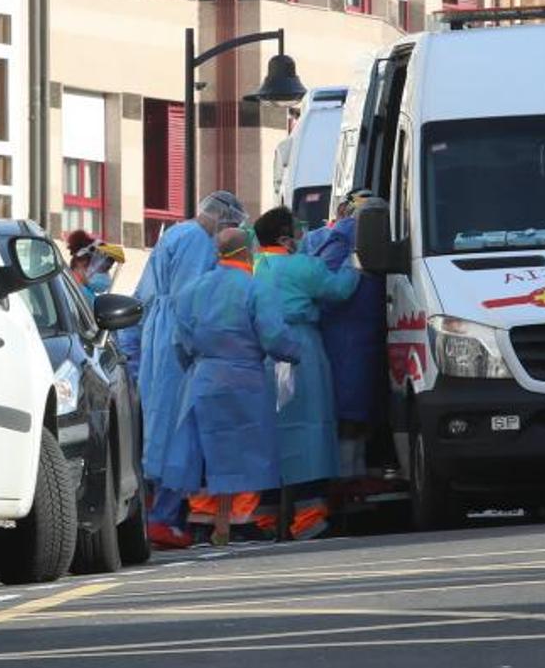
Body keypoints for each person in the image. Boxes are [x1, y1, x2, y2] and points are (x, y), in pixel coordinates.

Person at [119, 190, 247, 548]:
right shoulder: (197, 242)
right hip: (177, 345)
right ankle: (163, 517)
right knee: (180, 431)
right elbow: (193, 298)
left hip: (156, 340)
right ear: (222, 219)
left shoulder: (175, 233)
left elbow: (142, 296)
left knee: (157, 426)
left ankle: (152, 512)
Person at [161, 228, 302, 546]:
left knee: (205, 450)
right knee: (246, 450)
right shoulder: (256, 288)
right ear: (247, 252)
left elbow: (179, 343)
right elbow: (274, 336)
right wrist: (295, 353)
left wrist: (199, 367)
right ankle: (240, 521)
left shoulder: (192, 290)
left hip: (204, 380)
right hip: (245, 379)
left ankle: (203, 518)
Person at [251, 206, 360, 539]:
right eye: (298, 231)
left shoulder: (254, 267)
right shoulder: (302, 266)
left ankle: (266, 519)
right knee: (308, 432)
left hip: (261, 357)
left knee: (269, 436)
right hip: (302, 349)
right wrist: (355, 261)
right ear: (285, 237)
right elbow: (340, 289)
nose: (303, 236)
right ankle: (308, 516)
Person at [301, 190, 387, 478]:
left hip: (354, 326)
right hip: (351, 328)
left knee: (355, 398)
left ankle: (351, 466)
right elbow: (328, 284)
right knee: (353, 399)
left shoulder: (336, 235)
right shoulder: (347, 234)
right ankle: (349, 468)